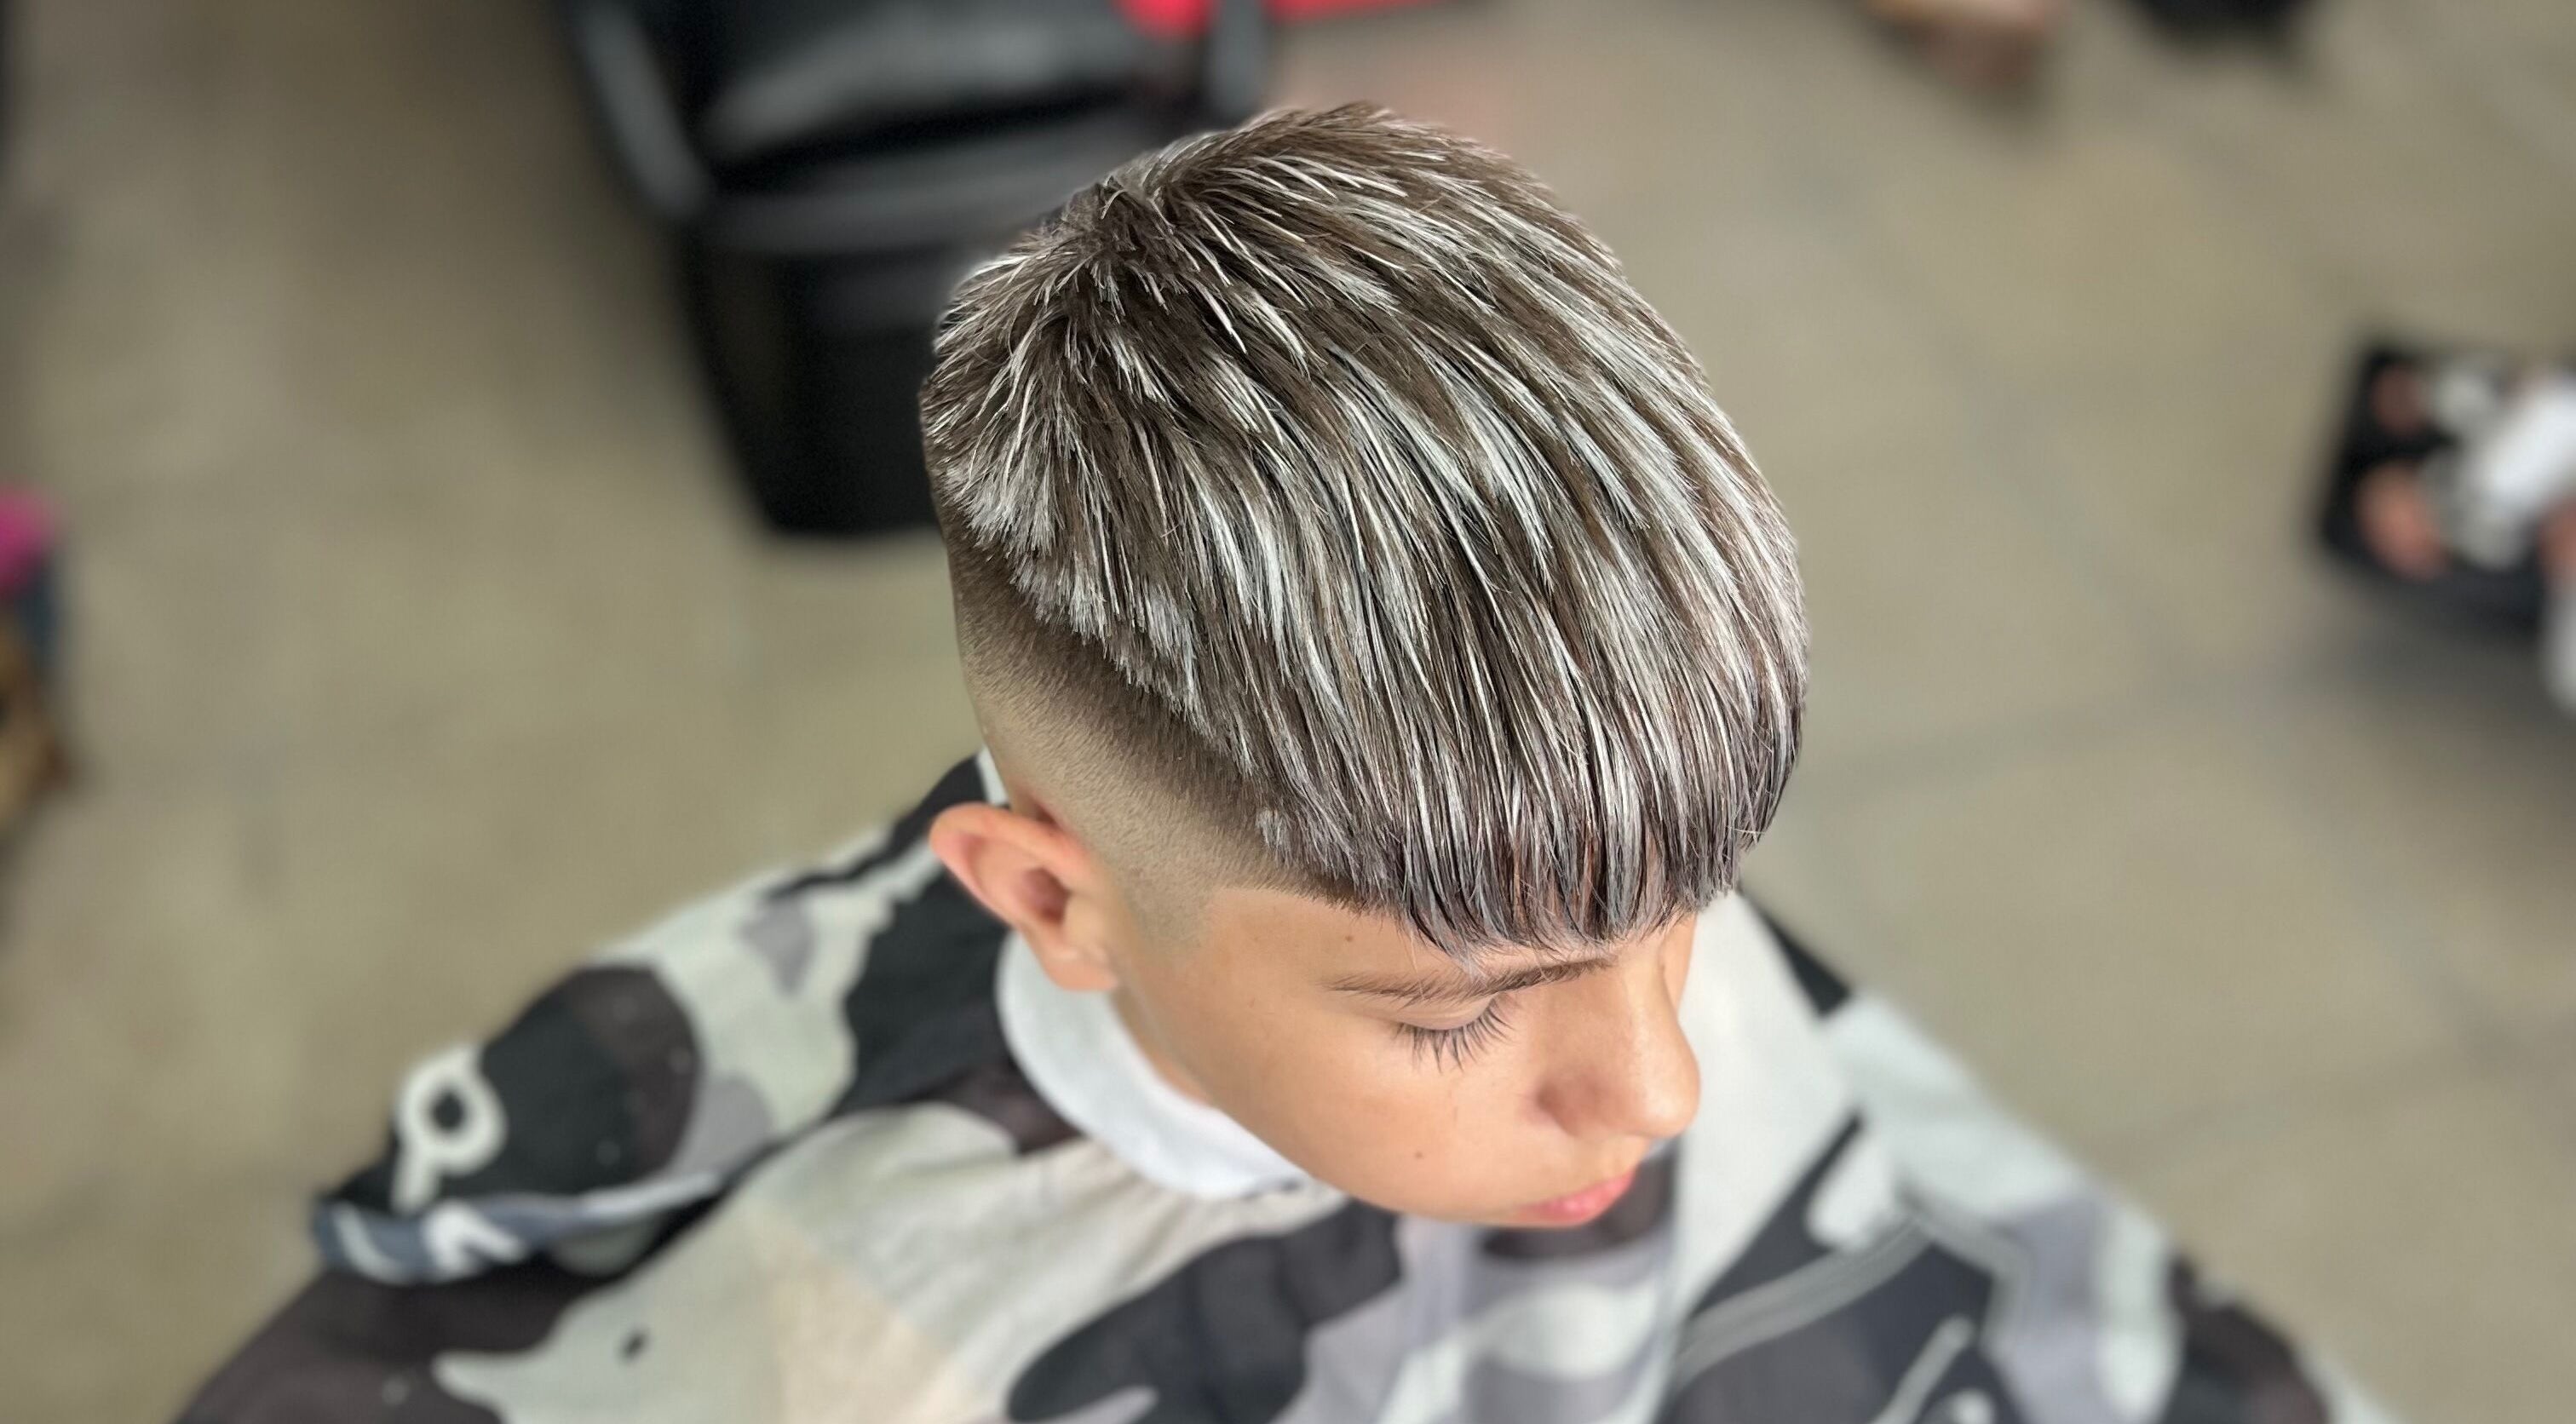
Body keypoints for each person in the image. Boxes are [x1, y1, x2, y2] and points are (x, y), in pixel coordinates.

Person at [179, 106, 2387, 1424]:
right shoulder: (862, 1343)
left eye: (1688, 910)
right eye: (1462, 1016)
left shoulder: (1527, 875)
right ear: (1047, 898)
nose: (1665, 1082)